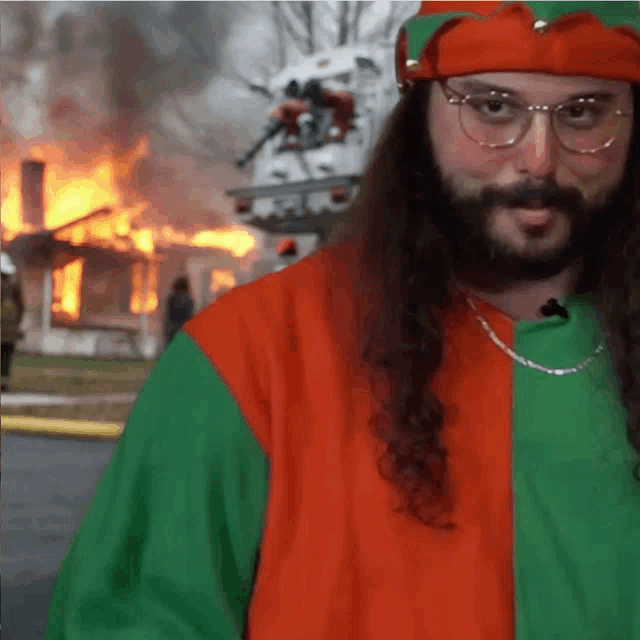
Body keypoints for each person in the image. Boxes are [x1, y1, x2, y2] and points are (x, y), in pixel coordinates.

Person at [47, 3, 640, 638]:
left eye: (583, 113)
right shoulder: (251, 359)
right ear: (420, 115)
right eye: (493, 108)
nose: (539, 160)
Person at [1, 252, 24, 392]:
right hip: (11, 331)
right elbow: (22, 308)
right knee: (5, 358)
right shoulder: (14, 286)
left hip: (5, 330)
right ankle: (3, 384)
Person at [163, 276, 194, 350]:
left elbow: (168, 315)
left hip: (172, 329)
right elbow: (190, 316)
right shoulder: (189, 299)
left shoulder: (172, 298)